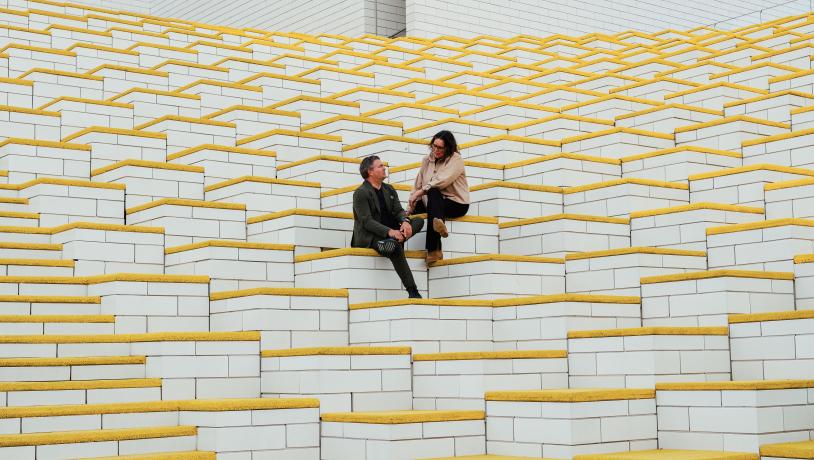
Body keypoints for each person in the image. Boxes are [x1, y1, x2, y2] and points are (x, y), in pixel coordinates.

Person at [351, 155, 425, 299]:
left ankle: (394, 242)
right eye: (380, 166)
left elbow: (398, 211)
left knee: (418, 221)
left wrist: (405, 221)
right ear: (370, 172)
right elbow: (367, 222)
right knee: (395, 248)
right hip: (370, 237)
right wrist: (390, 232)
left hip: (392, 233)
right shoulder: (360, 193)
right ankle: (413, 291)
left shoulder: (389, 189)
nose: (384, 168)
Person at [407, 130, 470, 265]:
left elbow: (442, 180)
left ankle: (434, 250)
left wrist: (421, 192)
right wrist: (409, 208)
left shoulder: (456, 159)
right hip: (434, 204)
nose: (436, 150)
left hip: (456, 203)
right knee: (419, 208)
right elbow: (417, 184)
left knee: (433, 191)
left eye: (440, 147)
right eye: (434, 146)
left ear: (448, 148)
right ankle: (438, 224)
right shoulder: (426, 160)